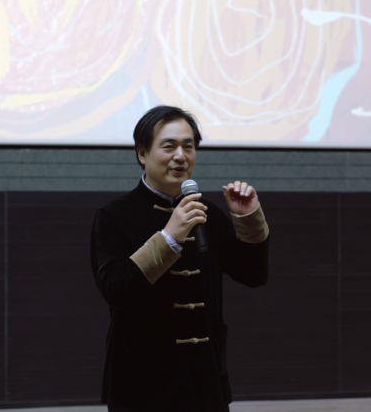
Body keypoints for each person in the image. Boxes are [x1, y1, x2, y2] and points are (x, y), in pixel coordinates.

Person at [90, 105, 270, 412]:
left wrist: (249, 220)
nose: (181, 156)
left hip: (205, 380)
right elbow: (114, 288)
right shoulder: (113, 216)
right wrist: (169, 237)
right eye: (169, 146)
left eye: (188, 146)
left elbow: (254, 275)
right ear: (142, 153)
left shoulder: (209, 215)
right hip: (141, 385)